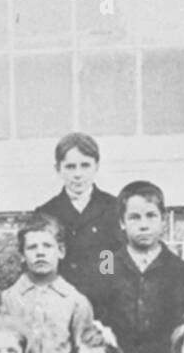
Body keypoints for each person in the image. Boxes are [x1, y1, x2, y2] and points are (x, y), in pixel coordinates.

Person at [92, 180, 184, 353]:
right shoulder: (107, 266)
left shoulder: (181, 271)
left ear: (162, 220)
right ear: (122, 223)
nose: (143, 225)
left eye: (151, 216)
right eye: (134, 217)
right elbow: (96, 319)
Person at [0, 213, 95, 353]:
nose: (40, 253)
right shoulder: (7, 299)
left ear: (61, 251)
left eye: (47, 246)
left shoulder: (76, 301)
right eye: (32, 247)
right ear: (22, 255)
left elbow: (85, 352)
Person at [34, 132, 121, 311]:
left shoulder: (113, 208)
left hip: (105, 301)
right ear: (58, 169)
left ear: (96, 166)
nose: (78, 174)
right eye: (70, 167)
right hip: (62, 302)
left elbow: (112, 256)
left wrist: (106, 288)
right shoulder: (47, 212)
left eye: (85, 166)